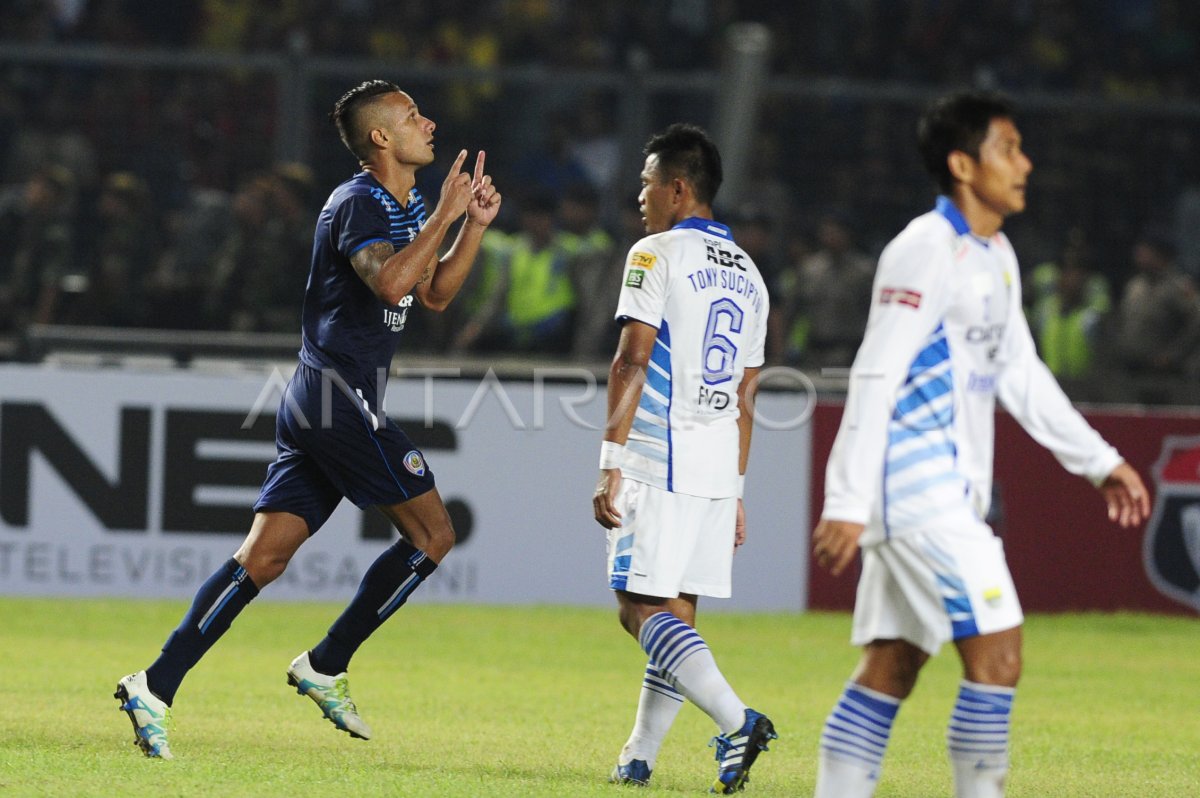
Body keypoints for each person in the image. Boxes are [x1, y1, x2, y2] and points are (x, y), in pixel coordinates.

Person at [114, 79, 501, 759]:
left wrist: (468, 226)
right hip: (337, 397)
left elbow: (433, 293)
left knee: (262, 558)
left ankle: (155, 683)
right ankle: (326, 663)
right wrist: (444, 216)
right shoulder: (357, 203)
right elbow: (387, 282)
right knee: (434, 536)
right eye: (413, 116)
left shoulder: (402, 208)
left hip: (319, 400)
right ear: (381, 137)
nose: (430, 123)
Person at [810, 92, 1150, 798]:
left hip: (943, 491)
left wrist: (1100, 460)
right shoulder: (923, 250)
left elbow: (1019, 371)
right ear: (963, 164)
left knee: (893, 665)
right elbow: (876, 371)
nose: (1025, 164)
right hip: (913, 489)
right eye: (1009, 148)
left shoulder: (993, 253)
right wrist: (845, 498)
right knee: (998, 655)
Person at [592, 123, 776, 793]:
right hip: (716, 459)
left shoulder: (656, 252)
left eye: (646, 184)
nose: (640, 197)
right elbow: (749, 395)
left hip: (658, 452)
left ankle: (737, 721)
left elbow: (631, 357)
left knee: (637, 606)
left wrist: (611, 458)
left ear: (677, 188)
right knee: (677, 611)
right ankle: (638, 756)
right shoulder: (752, 275)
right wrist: (737, 488)